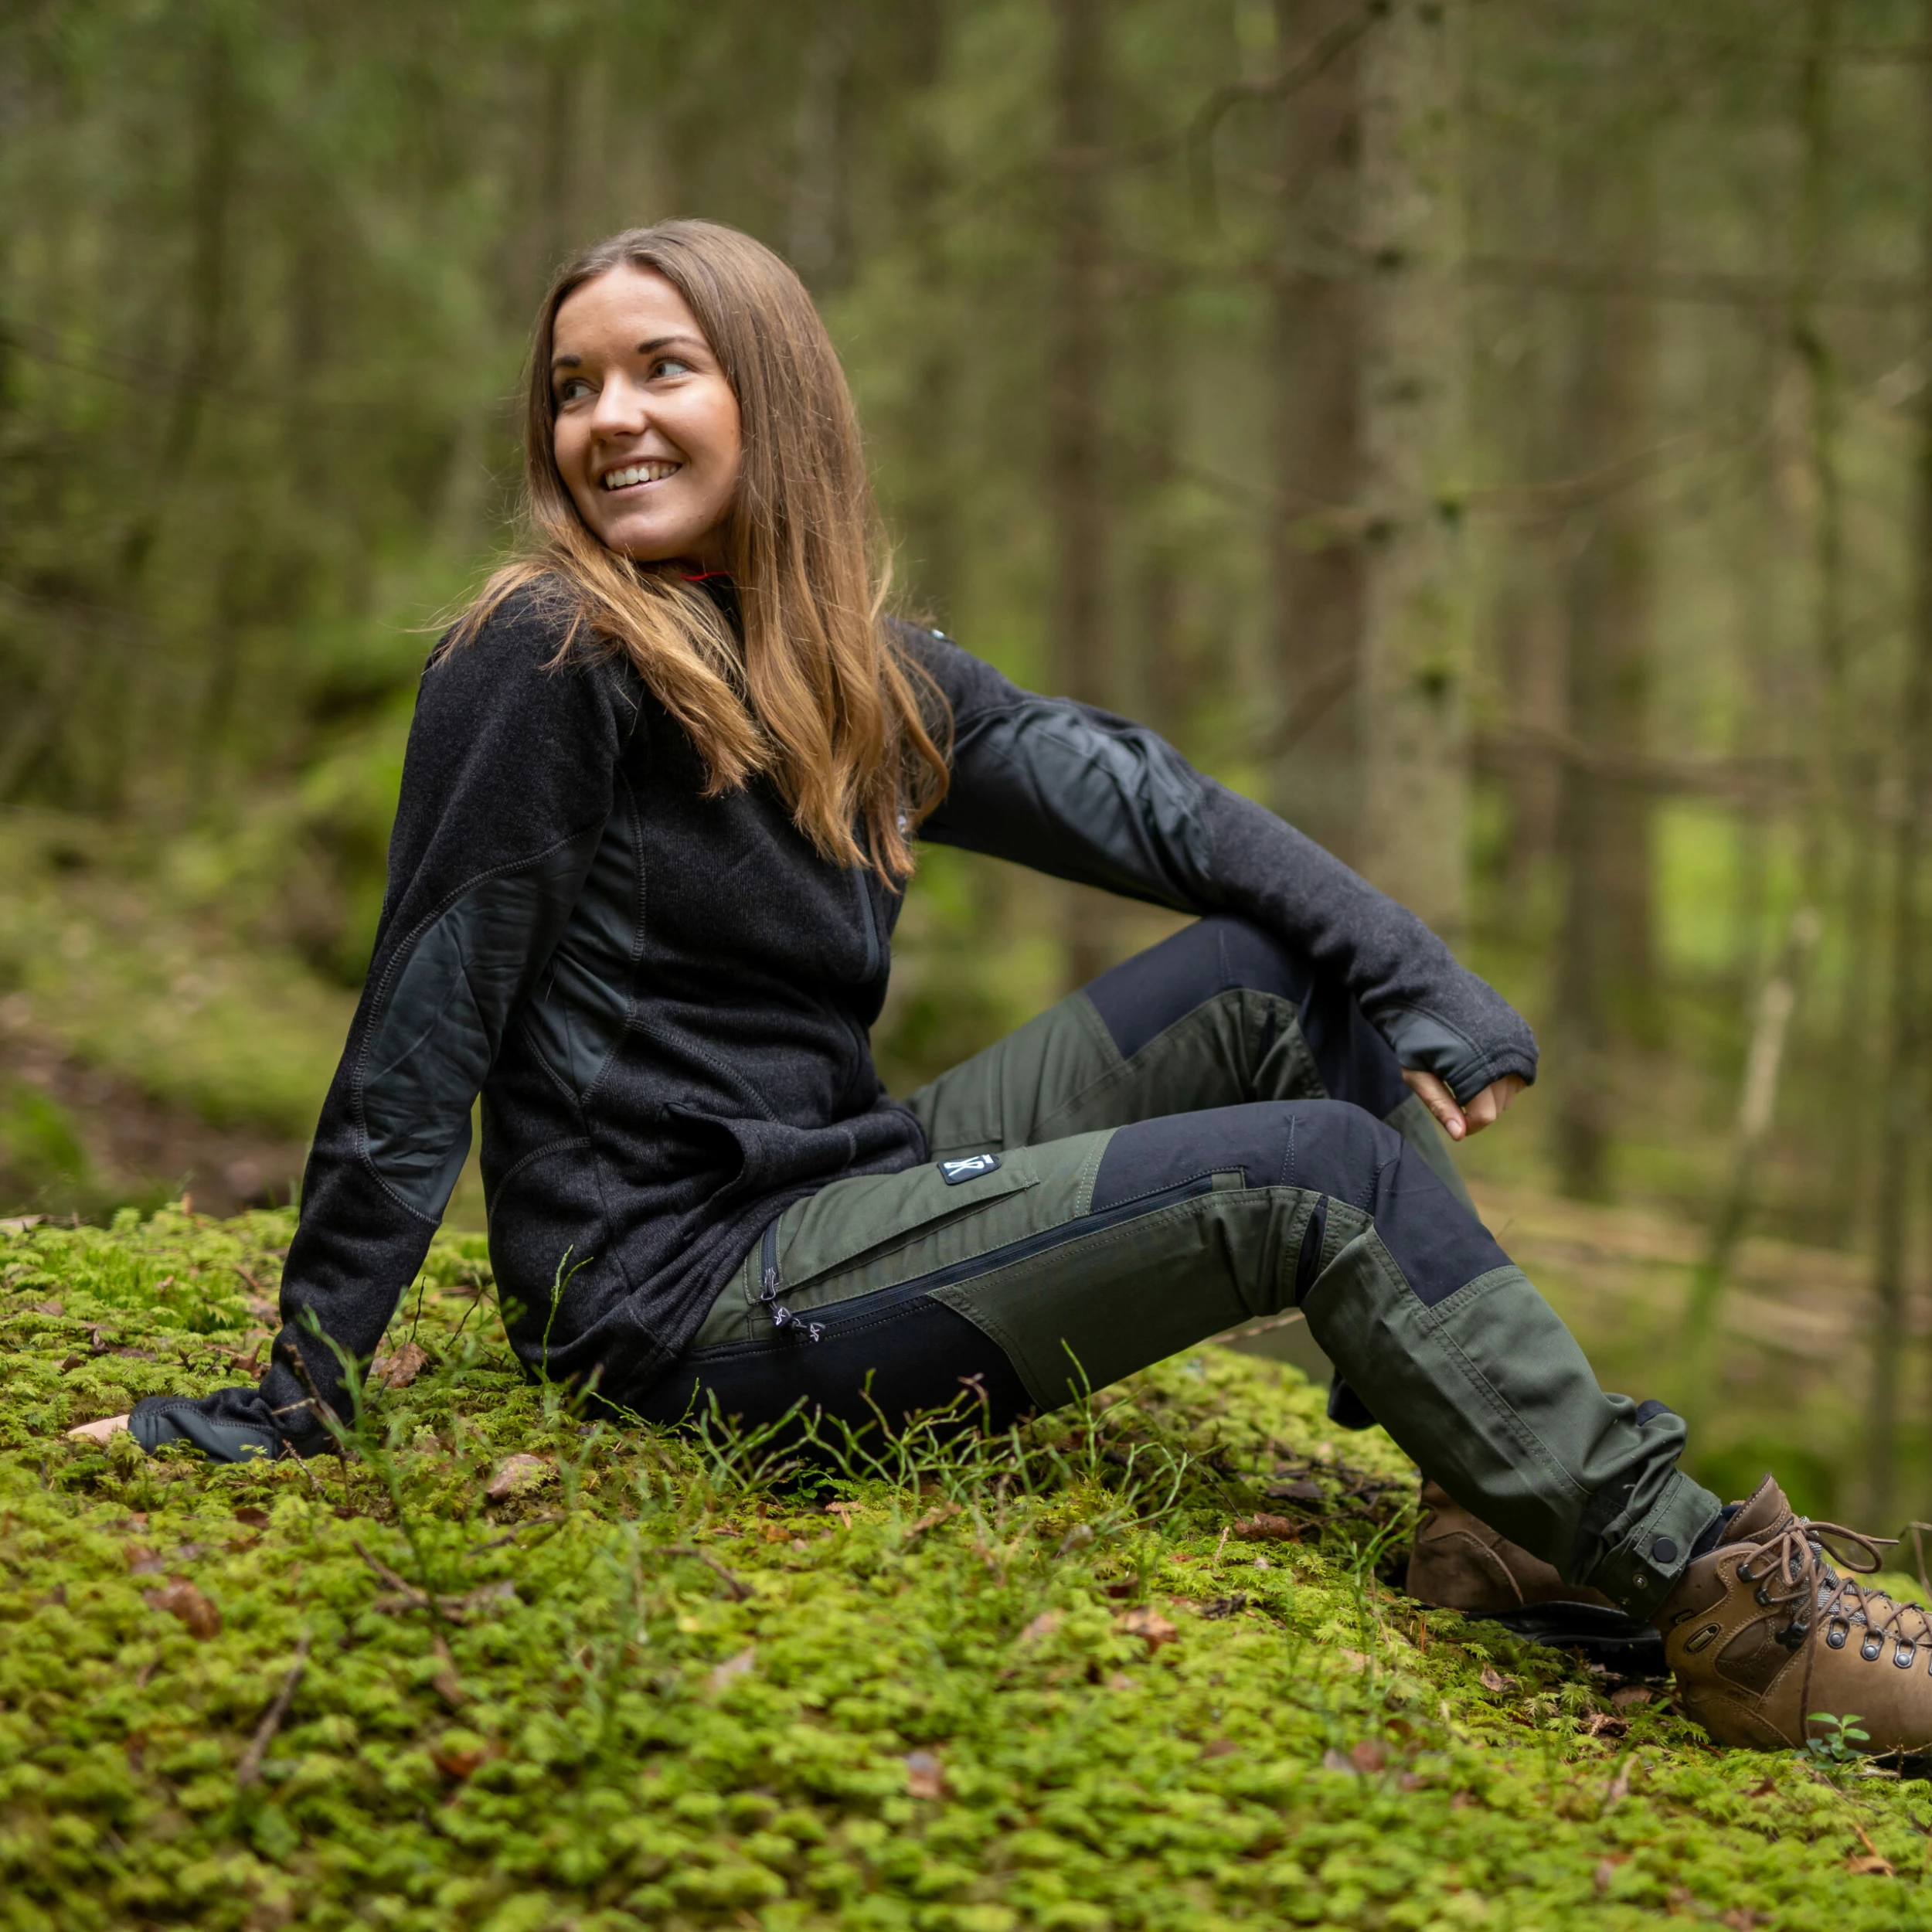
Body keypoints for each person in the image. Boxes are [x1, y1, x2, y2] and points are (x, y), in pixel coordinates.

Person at [71, 219, 1932, 1766]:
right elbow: (424, 1021)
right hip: (672, 1294)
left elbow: (1151, 803)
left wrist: (1412, 966)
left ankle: (1502, 1515)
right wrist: (302, 1386)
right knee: (1320, 1176)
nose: (606, 419)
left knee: (1276, 984)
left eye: (659, 368)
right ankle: (1722, 1607)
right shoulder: (544, 656)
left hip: (827, 1185)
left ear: (776, 398)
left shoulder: (847, 668)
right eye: (572, 385)